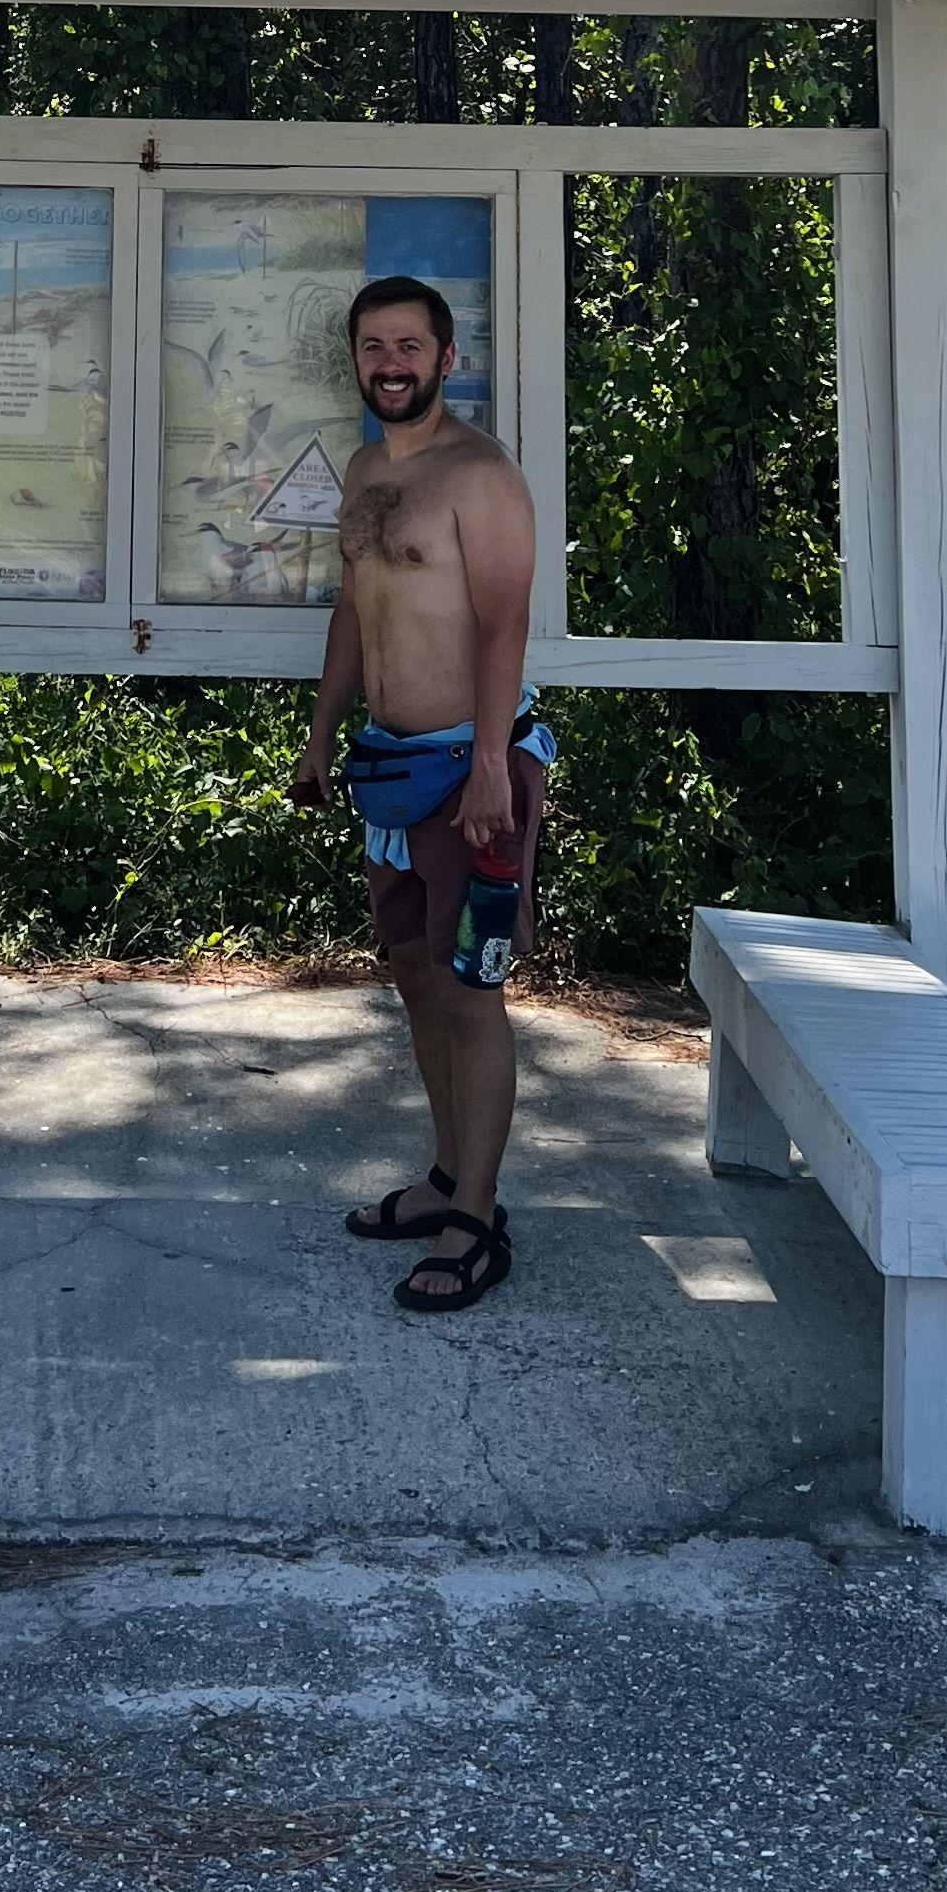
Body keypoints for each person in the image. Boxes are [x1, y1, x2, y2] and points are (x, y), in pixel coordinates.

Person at [293, 273, 552, 1313]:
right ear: (356, 362)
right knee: (412, 973)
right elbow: (354, 617)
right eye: (373, 347)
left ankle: (476, 1222)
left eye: (409, 346)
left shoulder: (479, 476)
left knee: (472, 992)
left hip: (472, 771)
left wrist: (492, 763)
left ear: (448, 359)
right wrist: (320, 738)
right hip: (389, 774)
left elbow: (503, 625)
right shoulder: (363, 471)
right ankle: (447, 1174)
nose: (390, 363)